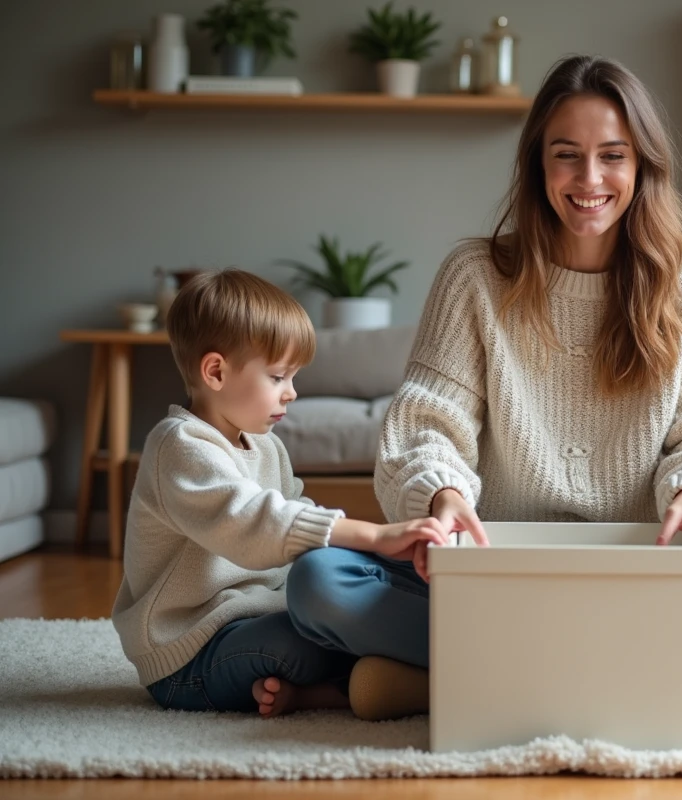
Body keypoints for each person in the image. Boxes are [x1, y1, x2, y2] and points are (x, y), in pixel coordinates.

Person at [287, 55, 682, 721]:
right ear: (538, 166)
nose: (589, 178)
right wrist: (444, 494)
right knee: (319, 582)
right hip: (492, 573)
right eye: (567, 155)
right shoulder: (474, 275)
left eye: (613, 156)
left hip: (639, 573)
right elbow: (427, 423)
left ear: (642, 166)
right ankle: (637, 674)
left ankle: (471, 678)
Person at [111, 269, 446, 718]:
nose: (291, 393)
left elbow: (297, 514)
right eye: (277, 376)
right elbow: (254, 520)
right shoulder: (179, 446)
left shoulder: (265, 444)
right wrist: (372, 535)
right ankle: (440, 668)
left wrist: (384, 549)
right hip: (192, 650)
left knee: (342, 574)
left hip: (263, 609)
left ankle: (381, 676)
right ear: (216, 371)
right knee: (297, 642)